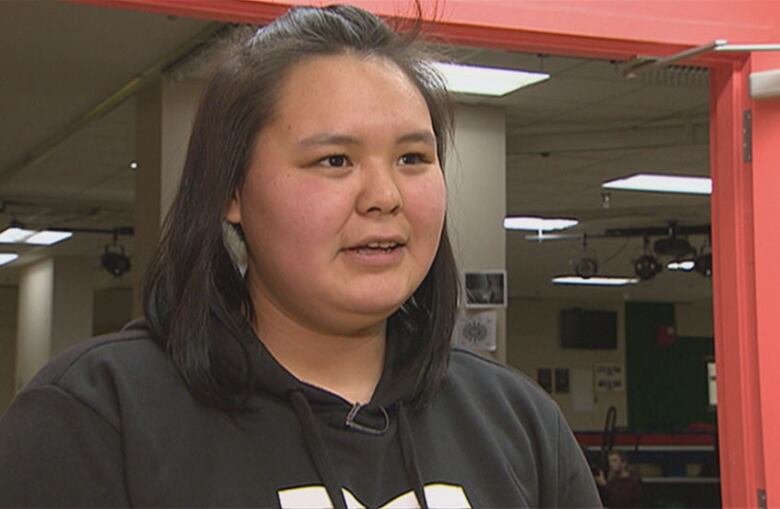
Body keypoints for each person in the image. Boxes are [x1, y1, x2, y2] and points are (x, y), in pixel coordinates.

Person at [0, 5, 601, 508]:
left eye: (413, 158)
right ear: (231, 190)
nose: (385, 197)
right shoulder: (96, 416)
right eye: (334, 161)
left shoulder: (520, 424)